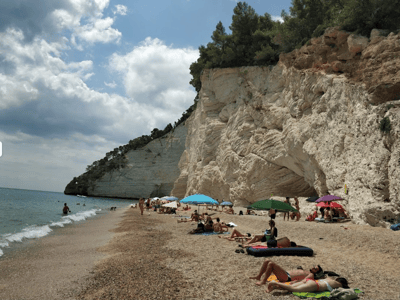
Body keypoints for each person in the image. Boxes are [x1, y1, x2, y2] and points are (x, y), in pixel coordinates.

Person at [249, 262, 324, 286]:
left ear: (316, 272)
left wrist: (294, 282)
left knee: (271, 264)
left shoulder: (311, 275)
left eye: (315, 269)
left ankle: (263, 281)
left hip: (286, 277)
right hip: (285, 273)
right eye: (314, 266)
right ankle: (258, 276)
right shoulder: (307, 271)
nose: (313, 267)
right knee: (267, 261)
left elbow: (304, 280)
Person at [266, 276, 349, 294]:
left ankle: (274, 287)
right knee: (293, 289)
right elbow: (343, 291)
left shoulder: (329, 279)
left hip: (310, 281)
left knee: (290, 288)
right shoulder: (339, 285)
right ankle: (275, 283)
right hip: (315, 286)